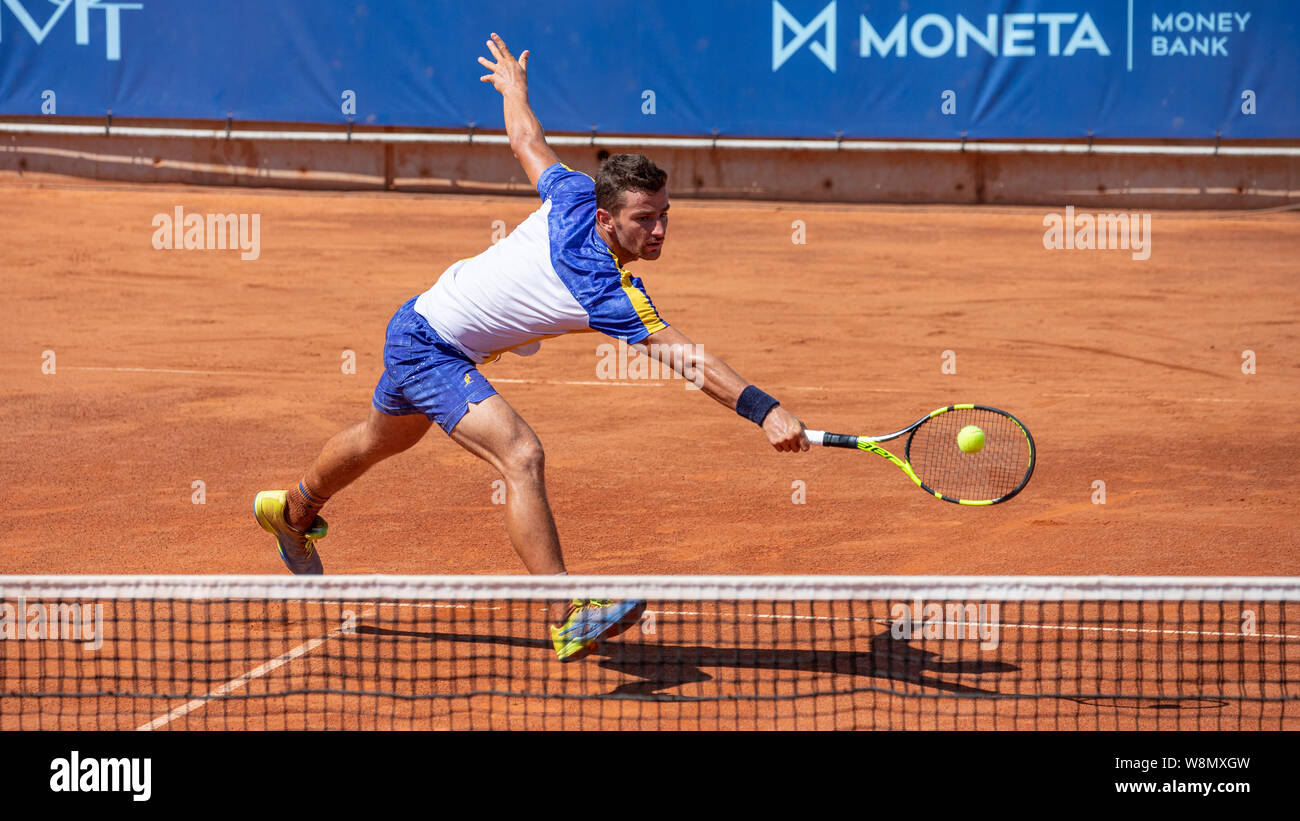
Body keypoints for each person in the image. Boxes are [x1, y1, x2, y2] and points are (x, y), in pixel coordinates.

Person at [255, 33, 809, 661]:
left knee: (381, 438)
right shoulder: (602, 289)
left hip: (422, 321)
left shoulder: (572, 191)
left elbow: (527, 141)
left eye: (663, 214)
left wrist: (515, 90)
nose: (659, 230)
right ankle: (567, 610)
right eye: (643, 220)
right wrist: (765, 409)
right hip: (429, 343)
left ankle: (292, 511)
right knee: (521, 454)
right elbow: (687, 356)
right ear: (606, 219)